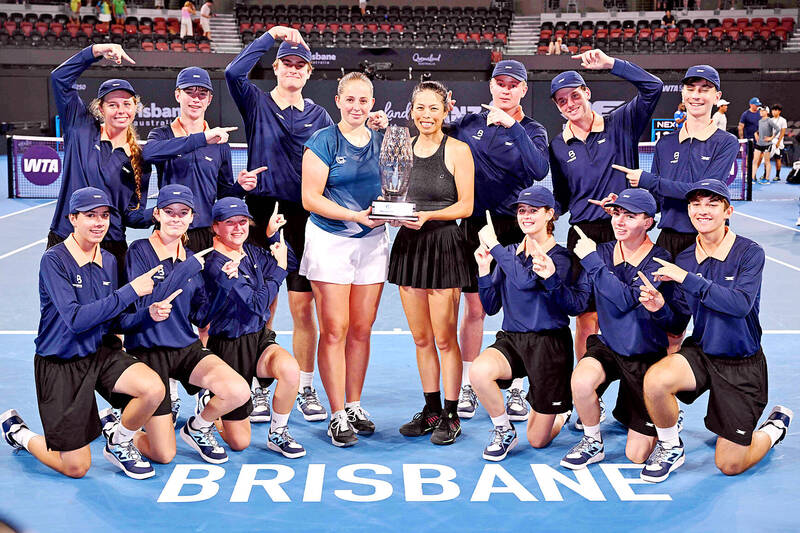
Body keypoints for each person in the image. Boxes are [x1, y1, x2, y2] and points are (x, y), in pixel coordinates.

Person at [0, 187, 165, 480]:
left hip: (99, 352)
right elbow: (76, 319)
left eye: (104, 216)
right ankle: (19, 433)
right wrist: (130, 292)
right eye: (90, 216)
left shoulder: (110, 261)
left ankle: (119, 440)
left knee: (153, 389)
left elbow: (112, 321)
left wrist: (147, 315)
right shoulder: (54, 260)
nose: (99, 222)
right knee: (76, 467)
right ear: (73, 218)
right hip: (60, 361)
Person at [638, 179, 792, 482]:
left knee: (730, 464)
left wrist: (686, 279)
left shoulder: (749, 252)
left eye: (712, 204)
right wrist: (659, 309)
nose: (702, 210)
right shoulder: (684, 258)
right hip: (703, 352)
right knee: (656, 380)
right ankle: (670, 445)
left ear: (728, 211)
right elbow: (677, 322)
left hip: (741, 362)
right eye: (696, 204)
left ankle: (774, 429)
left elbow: (739, 305)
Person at [226, 27, 334, 423]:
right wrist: (270, 35)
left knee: (303, 306)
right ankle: (258, 387)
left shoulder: (320, 115)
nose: (293, 69)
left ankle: (305, 386)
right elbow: (233, 73)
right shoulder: (255, 101)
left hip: (305, 216)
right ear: (275, 67)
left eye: (300, 65)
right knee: (263, 306)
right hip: (261, 212)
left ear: (308, 73)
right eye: (286, 63)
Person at [110, 185, 250, 465]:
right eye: (169, 212)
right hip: (148, 353)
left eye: (183, 213)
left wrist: (223, 284)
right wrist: (184, 270)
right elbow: (143, 306)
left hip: (186, 348)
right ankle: (119, 432)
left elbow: (200, 318)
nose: (176, 218)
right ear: (157, 214)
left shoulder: (191, 258)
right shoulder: (139, 251)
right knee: (164, 454)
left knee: (238, 390)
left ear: (191, 217)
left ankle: (197, 428)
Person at [548, 49, 663, 381]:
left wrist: (612, 64)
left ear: (587, 93)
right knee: (586, 317)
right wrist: (540, 216)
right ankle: (587, 394)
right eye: (561, 100)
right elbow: (562, 196)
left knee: (636, 310)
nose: (570, 103)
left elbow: (653, 87)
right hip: (582, 236)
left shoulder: (622, 122)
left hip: (625, 233)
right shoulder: (558, 145)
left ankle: (644, 390)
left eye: (574, 95)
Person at [446, 59, 549, 422]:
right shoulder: (468, 124)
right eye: (500, 83)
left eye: (513, 84)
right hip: (473, 226)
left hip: (517, 227)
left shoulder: (534, 130)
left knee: (519, 308)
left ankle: (519, 387)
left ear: (523, 89)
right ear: (491, 87)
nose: (505, 89)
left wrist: (514, 126)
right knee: (475, 309)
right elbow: (430, 134)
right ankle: (472, 385)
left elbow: (539, 170)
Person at [560, 189, 678, 470]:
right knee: (580, 381)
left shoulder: (659, 259)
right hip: (610, 346)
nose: (619, 221)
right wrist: (551, 277)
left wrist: (592, 263)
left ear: (648, 222)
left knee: (636, 455)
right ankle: (592, 441)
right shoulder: (600, 253)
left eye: (630, 216)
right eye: (616, 213)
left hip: (644, 356)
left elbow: (626, 300)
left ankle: (664, 412)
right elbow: (577, 303)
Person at [301, 72, 388, 447]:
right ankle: (336, 413)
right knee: (334, 328)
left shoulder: (383, 141)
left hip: (373, 243)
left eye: (364, 100)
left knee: (361, 329)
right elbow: (311, 198)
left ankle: (353, 404)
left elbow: (394, 185)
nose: (357, 107)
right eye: (350, 99)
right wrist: (355, 216)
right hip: (329, 241)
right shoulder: (322, 140)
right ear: (338, 101)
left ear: (373, 103)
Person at [470, 186, 586, 461]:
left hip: (549, 346)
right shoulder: (510, 253)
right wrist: (484, 270)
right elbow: (491, 305)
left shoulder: (560, 257)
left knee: (537, 440)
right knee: (478, 372)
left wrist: (495, 247)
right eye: (522, 210)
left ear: (550, 215)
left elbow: (523, 281)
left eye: (534, 210)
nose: (526, 216)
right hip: (512, 340)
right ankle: (503, 430)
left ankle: (561, 412)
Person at [390, 80, 474, 446]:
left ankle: (452, 415)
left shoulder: (458, 150)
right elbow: (393, 194)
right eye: (420, 108)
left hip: (443, 246)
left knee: (443, 339)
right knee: (422, 338)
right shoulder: (401, 149)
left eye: (433, 108)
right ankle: (432, 410)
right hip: (409, 246)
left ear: (445, 111)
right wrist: (392, 213)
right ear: (411, 111)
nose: (426, 115)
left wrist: (427, 216)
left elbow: (465, 207)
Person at [199, 197, 306, 458]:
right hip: (227, 346)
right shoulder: (216, 264)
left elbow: (289, 263)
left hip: (257, 338)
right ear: (216, 227)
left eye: (243, 222)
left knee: (291, 371)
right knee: (240, 442)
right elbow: (258, 304)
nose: (238, 228)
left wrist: (271, 237)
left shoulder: (253, 253)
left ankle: (278, 432)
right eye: (230, 223)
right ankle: (204, 417)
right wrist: (277, 269)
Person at [48, 44, 153, 282]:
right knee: (64, 316)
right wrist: (96, 50)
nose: (121, 110)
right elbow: (59, 78)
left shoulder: (140, 159)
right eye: (112, 104)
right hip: (67, 238)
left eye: (127, 104)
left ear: (135, 108)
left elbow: (131, 215)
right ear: (100, 108)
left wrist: (158, 214)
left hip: (112, 247)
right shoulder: (80, 128)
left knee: (116, 315)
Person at [613, 66, 739, 261]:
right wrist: (625, 206)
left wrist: (648, 180)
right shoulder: (665, 143)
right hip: (667, 240)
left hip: (707, 240)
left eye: (704, 89)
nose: (696, 95)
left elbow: (702, 194)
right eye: (690, 88)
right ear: (683, 94)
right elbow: (655, 201)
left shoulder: (726, 142)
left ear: (716, 97)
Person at [753, 106, 778, 184]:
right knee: (755, 161)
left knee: (767, 162)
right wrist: (756, 133)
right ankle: (752, 178)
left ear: (767, 112)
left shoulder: (769, 120)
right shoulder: (760, 121)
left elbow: (778, 129)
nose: (761, 112)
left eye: (763, 111)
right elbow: (760, 130)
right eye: (760, 111)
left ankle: (766, 179)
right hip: (759, 144)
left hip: (767, 145)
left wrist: (771, 137)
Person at [769, 104, 787, 181]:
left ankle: (777, 175)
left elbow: (783, 132)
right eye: (773, 110)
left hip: (778, 142)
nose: (773, 112)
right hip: (770, 141)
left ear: (779, 111)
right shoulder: (770, 120)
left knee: (777, 159)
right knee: (767, 159)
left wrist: (778, 142)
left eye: (775, 110)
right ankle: (765, 174)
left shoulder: (783, 120)